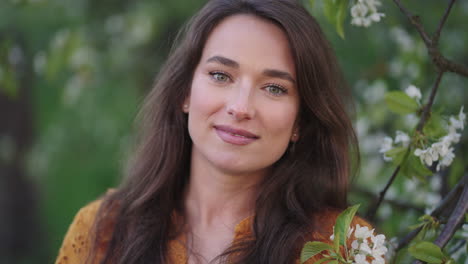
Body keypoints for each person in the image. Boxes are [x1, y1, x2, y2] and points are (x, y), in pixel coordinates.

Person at [55, 0, 371, 263]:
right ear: (185, 93)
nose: (241, 107)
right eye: (220, 75)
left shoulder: (344, 247)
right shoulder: (100, 231)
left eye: (274, 88)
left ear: (300, 121)